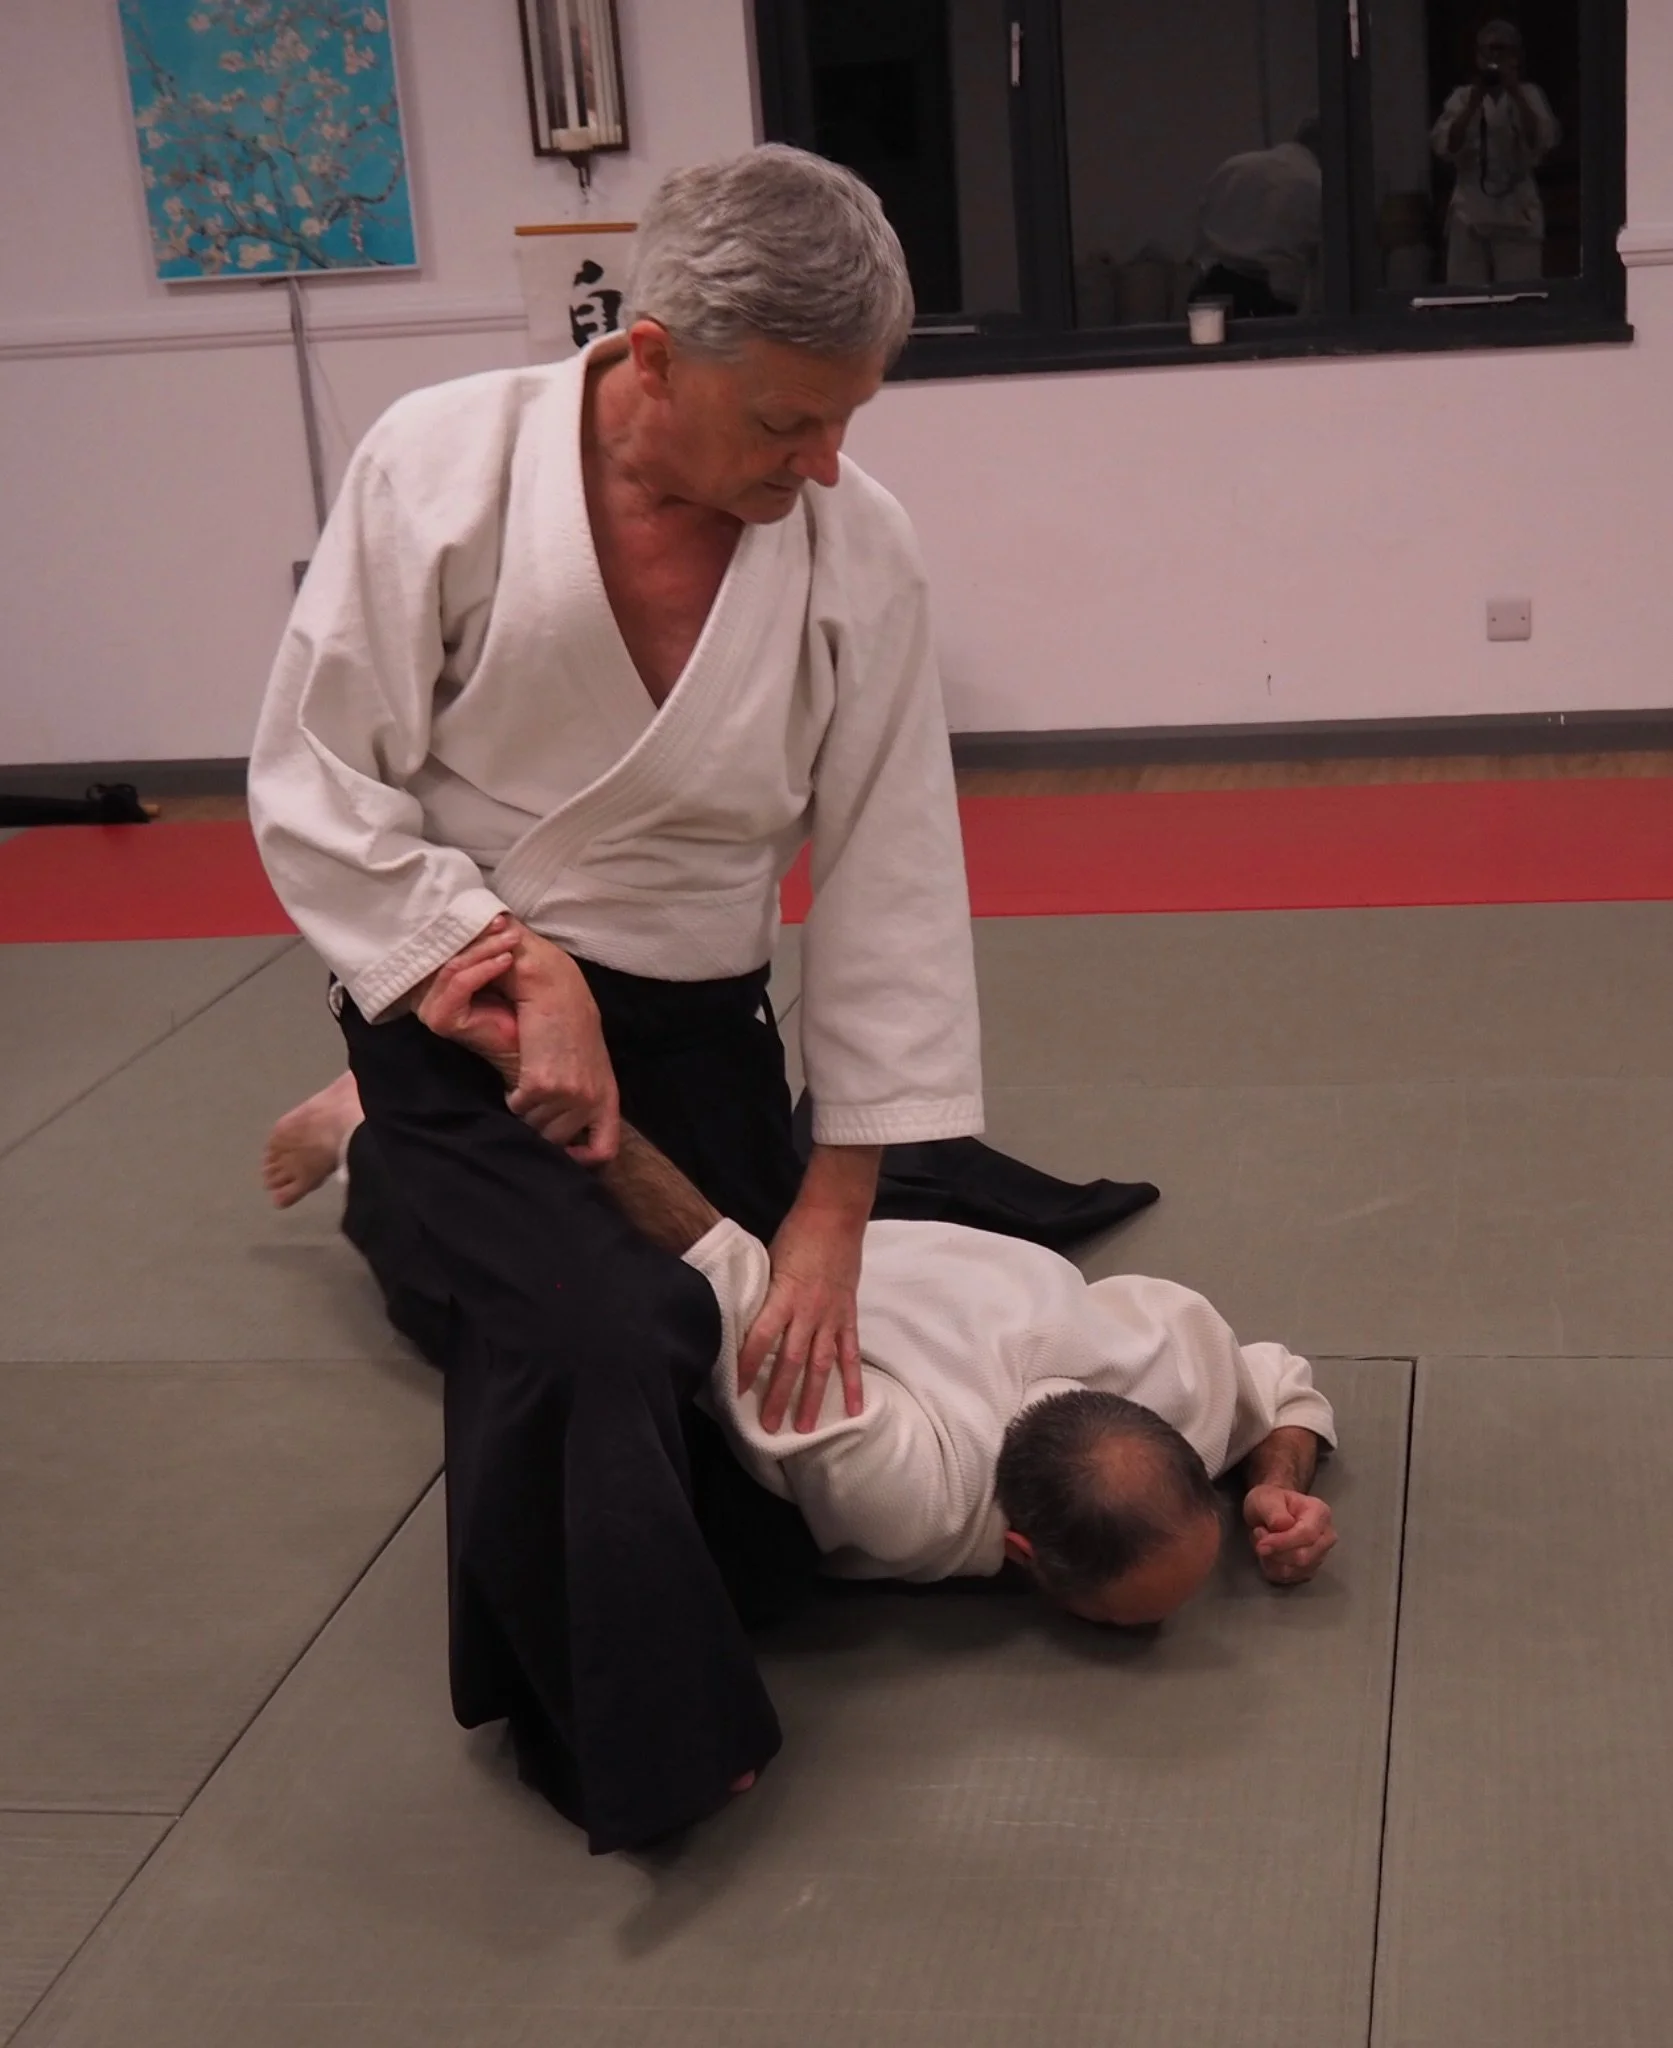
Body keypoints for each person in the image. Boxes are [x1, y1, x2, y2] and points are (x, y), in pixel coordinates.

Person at [247, 146, 985, 1856]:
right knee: (607, 1331)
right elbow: (313, 778)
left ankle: (379, 1187)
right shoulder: (440, 463)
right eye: (786, 424)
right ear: (650, 356)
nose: (824, 464)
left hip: (704, 1030)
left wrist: (832, 1205)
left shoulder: (853, 550)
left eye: (847, 419)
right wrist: (506, 962)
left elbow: (887, 873)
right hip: (456, 1014)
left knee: (763, 1459)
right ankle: (620, 1752)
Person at [295, 946, 1338, 1632]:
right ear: (1014, 1547)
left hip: (907, 1261)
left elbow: (1277, 1381)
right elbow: (724, 1268)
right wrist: (556, 1089)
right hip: (812, 1276)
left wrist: (1271, 1477)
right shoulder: (917, 1499)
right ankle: (358, 1130)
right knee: (497, 1308)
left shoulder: (1181, 1378)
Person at [1432, 20, 1560, 285]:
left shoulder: (1529, 95)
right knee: (1465, 299)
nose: (1494, 58)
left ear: (1516, 56)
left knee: (1520, 297)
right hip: (1470, 214)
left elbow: (1541, 140)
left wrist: (1514, 92)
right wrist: (1474, 103)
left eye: (1502, 51)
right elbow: (1447, 146)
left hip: (1517, 213)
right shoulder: (1462, 97)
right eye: (1487, 51)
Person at [1189, 119, 1323, 320]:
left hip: (1210, 295)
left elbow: (1202, 231)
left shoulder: (1234, 167)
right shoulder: (1318, 185)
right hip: (1270, 305)